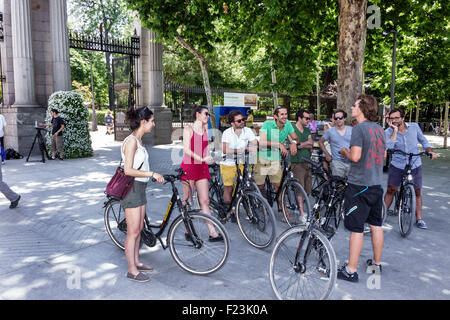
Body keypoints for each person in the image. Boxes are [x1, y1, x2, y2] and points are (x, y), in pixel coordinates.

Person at [338, 94, 386, 283]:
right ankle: (376, 264)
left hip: (359, 186)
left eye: (354, 105)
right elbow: (382, 155)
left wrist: (344, 152)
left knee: (356, 229)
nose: (351, 108)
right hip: (375, 184)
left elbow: (356, 157)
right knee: (376, 225)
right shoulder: (380, 130)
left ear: (362, 108)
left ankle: (351, 270)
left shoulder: (359, 129)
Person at [121, 106, 165, 282]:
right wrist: (152, 174)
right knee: (132, 232)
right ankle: (132, 270)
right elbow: (128, 170)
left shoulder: (139, 141)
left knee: (139, 229)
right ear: (143, 122)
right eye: (152, 121)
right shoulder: (131, 141)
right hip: (131, 189)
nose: (153, 124)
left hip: (140, 189)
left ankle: (137, 261)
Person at [384, 108, 437, 229]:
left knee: (417, 191)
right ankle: (382, 215)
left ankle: (419, 219)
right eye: (391, 118)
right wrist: (395, 131)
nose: (394, 120)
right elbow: (388, 146)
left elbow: (424, 141)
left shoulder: (414, 127)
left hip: (414, 163)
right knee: (391, 190)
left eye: (396, 118)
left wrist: (430, 151)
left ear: (403, 118)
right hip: (397, 164)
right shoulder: (388, 131)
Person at [180, 106, 223, 242]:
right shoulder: (188, 129)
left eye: (209, 114)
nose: (208, 116)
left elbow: (206, 149)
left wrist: (210, 158)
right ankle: (188, 230)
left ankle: (213, 232)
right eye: (205, 114)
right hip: (189, 167)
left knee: (205, 200)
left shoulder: (205, 130)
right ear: (198, 114)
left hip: (202, 168)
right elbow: (186, 149)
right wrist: (201, 158)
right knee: (188, 200)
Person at [254, 106, 298, 199]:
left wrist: (293, 143)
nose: (285, 116)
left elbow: (295, 137)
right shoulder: (267, 124)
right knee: (260, 186)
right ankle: (262, 205)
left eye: (286, 114)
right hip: (262, 157)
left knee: (278, 186)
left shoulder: (288, 124)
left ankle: (285, 211)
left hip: (275, 157)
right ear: (275, 116)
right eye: (282, 114)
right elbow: (262, 142)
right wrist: (278, 144)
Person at [221, 110, 257, 221]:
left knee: (243, 185)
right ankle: (229, 210)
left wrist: (246, 148)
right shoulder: (227, 132)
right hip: (228, 163)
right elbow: (225, 149)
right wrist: (240, 150)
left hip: (241, 162)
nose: (242, 122)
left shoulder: (247, 131)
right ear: (232, 123)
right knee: (229, 188)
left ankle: (247, 206)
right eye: (239, 120)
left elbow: (255, 145)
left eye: (243, 119)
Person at [289, 109, 313, 223]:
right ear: (299, 118)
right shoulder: (292, 128)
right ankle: (301, 213)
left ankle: (300, 209)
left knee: (307, 189)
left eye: (309, 118)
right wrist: (304, 144)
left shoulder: (307, 129)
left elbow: (311, 144)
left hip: (307, 161)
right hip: (297, 161)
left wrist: (300, 145)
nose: (309, 120)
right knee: (300, 188)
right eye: (306, 118)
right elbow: (292, 142)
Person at [319, 109, 352, 177]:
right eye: (336, 118)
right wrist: (327, 154)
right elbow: (320, 142)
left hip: (351, 162)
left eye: (340, 118)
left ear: (345, 118)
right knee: (338, 185)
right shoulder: (330, 131)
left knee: (351, 185)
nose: (338, 120)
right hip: (337, 162)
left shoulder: (351, 130)